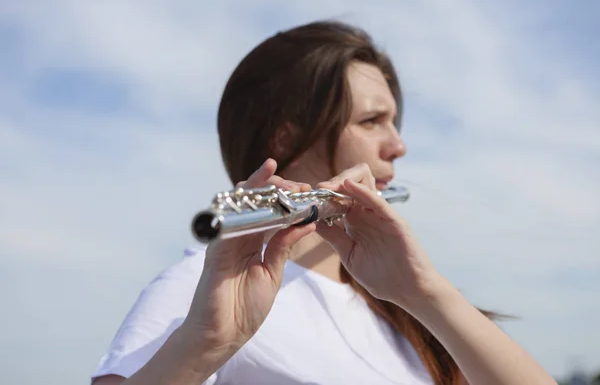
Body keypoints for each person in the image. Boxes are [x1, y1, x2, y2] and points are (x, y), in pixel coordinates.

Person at [91, 20, 556, 385]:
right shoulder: (198, 291)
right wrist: (205, 344)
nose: (398, 146)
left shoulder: (399, 303)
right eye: (372, 120)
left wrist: (425, 292)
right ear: (286, 136)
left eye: (394, 122)